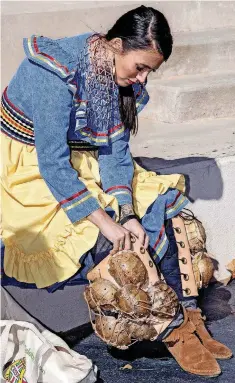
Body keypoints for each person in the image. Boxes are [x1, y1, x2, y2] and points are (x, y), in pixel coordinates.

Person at [1, 5, 232, 377]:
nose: (142, 79)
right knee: (111, 243)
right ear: (115, 45)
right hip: (27, 170)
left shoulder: (115, 74)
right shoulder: (52, 75)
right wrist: (109, 224)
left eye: (149, 72)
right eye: (140, 67)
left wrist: (126, 211)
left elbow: (114, 152)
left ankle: (190, 317)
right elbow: (54, 166)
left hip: (82, 161)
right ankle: (172, 333)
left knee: (167, 213)